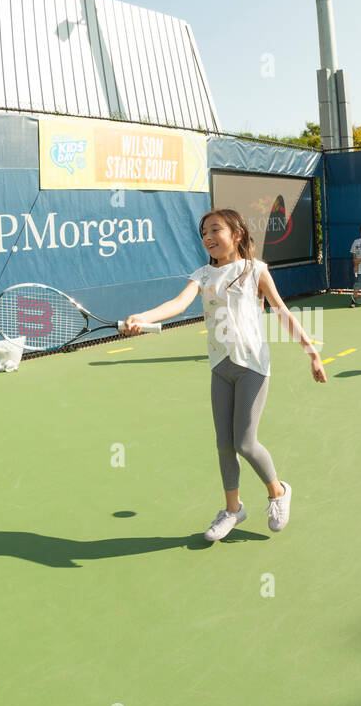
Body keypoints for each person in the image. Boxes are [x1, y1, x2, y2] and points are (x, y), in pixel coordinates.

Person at [123, 209, 326, 541]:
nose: (208, 236)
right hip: (220, 367)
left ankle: (277, 491)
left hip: (252, 366)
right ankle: (233, 510)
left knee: (245, 442)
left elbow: (282, 311)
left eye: (216, 229)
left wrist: (312, 353)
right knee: (223, 444)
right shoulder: (202, 275)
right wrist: (142, 317)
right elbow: (177, 304)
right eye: (204, 231)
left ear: (238, 234)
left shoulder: (255, 270)